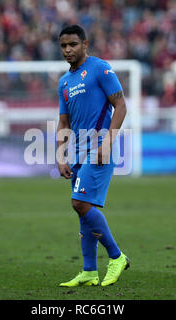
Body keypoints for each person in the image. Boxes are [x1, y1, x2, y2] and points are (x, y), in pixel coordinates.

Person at [56, 25, 130, 287]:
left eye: (73, 44)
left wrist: (108, 141)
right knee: (83, 209)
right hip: (77, 152)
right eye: (64, 45)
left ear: (85, 44)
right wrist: (61, 155)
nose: (68, 50)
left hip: (99, 147)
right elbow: (63, 122)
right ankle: (89, 271)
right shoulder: (64, 82)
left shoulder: (100, 68)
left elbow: (120, 104)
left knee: (80, 204)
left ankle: (117, 257)